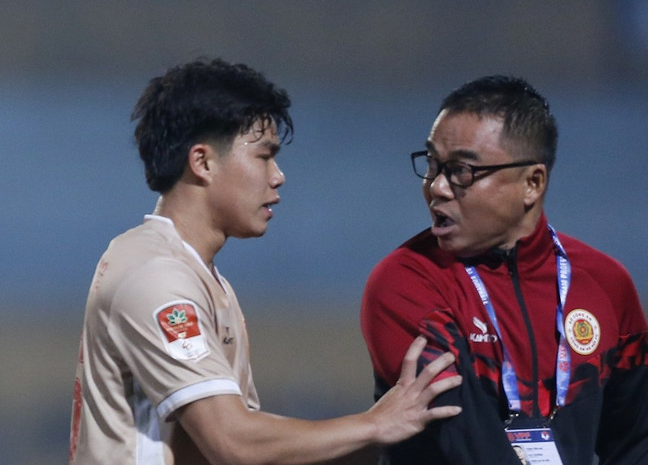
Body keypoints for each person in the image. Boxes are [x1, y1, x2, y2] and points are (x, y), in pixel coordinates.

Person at [70, 58, 463, 465]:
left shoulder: (196, 277)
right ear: (203, 162)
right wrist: (376, 425)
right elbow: (233, 443)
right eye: (263, 156)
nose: (278, 176)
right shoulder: (156, 278)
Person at [361, 75, 648, 464]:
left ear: (532, 183)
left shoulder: (605, 283)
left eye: (461, 170)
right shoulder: (406, 281)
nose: (437, 187)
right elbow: (465, 442)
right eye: (432, 164)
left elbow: (636, 443)